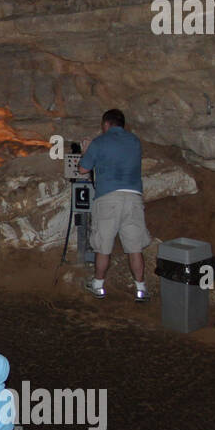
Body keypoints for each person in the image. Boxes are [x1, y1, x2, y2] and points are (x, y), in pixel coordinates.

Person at [80, 108, 153, 302]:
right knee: (134, 247)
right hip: (133, 199)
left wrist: (86, 151)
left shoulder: (99, 142)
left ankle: (98, 286)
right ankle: (141, 289)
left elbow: (82, 169)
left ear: (105, 124)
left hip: (108, 199)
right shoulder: (135, 142)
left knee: (103, 246)